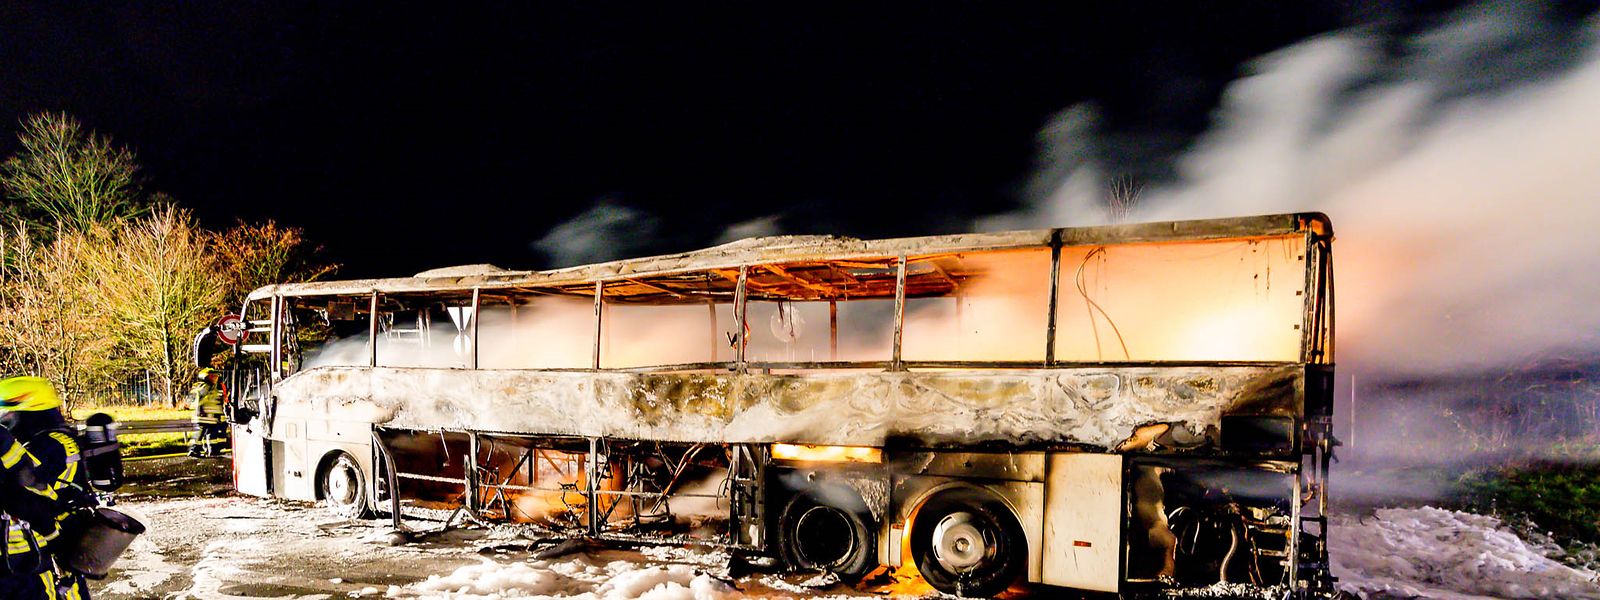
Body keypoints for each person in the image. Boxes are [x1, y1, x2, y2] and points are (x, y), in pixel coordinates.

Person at [0, 376, 93, 600]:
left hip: (52, 542)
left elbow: (24, 488)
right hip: (62, 537)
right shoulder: (56, 437)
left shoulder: (47, 445)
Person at [187, 369, 228, 457]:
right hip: (204, 416)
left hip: (209, 417)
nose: (216, 378)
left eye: (216, 376)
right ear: (206, 377)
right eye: (213, 376)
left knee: (210, 434)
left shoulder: (200, 386)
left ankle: (212, 450)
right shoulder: (206, 387)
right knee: (201, 434)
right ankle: (194, 450)